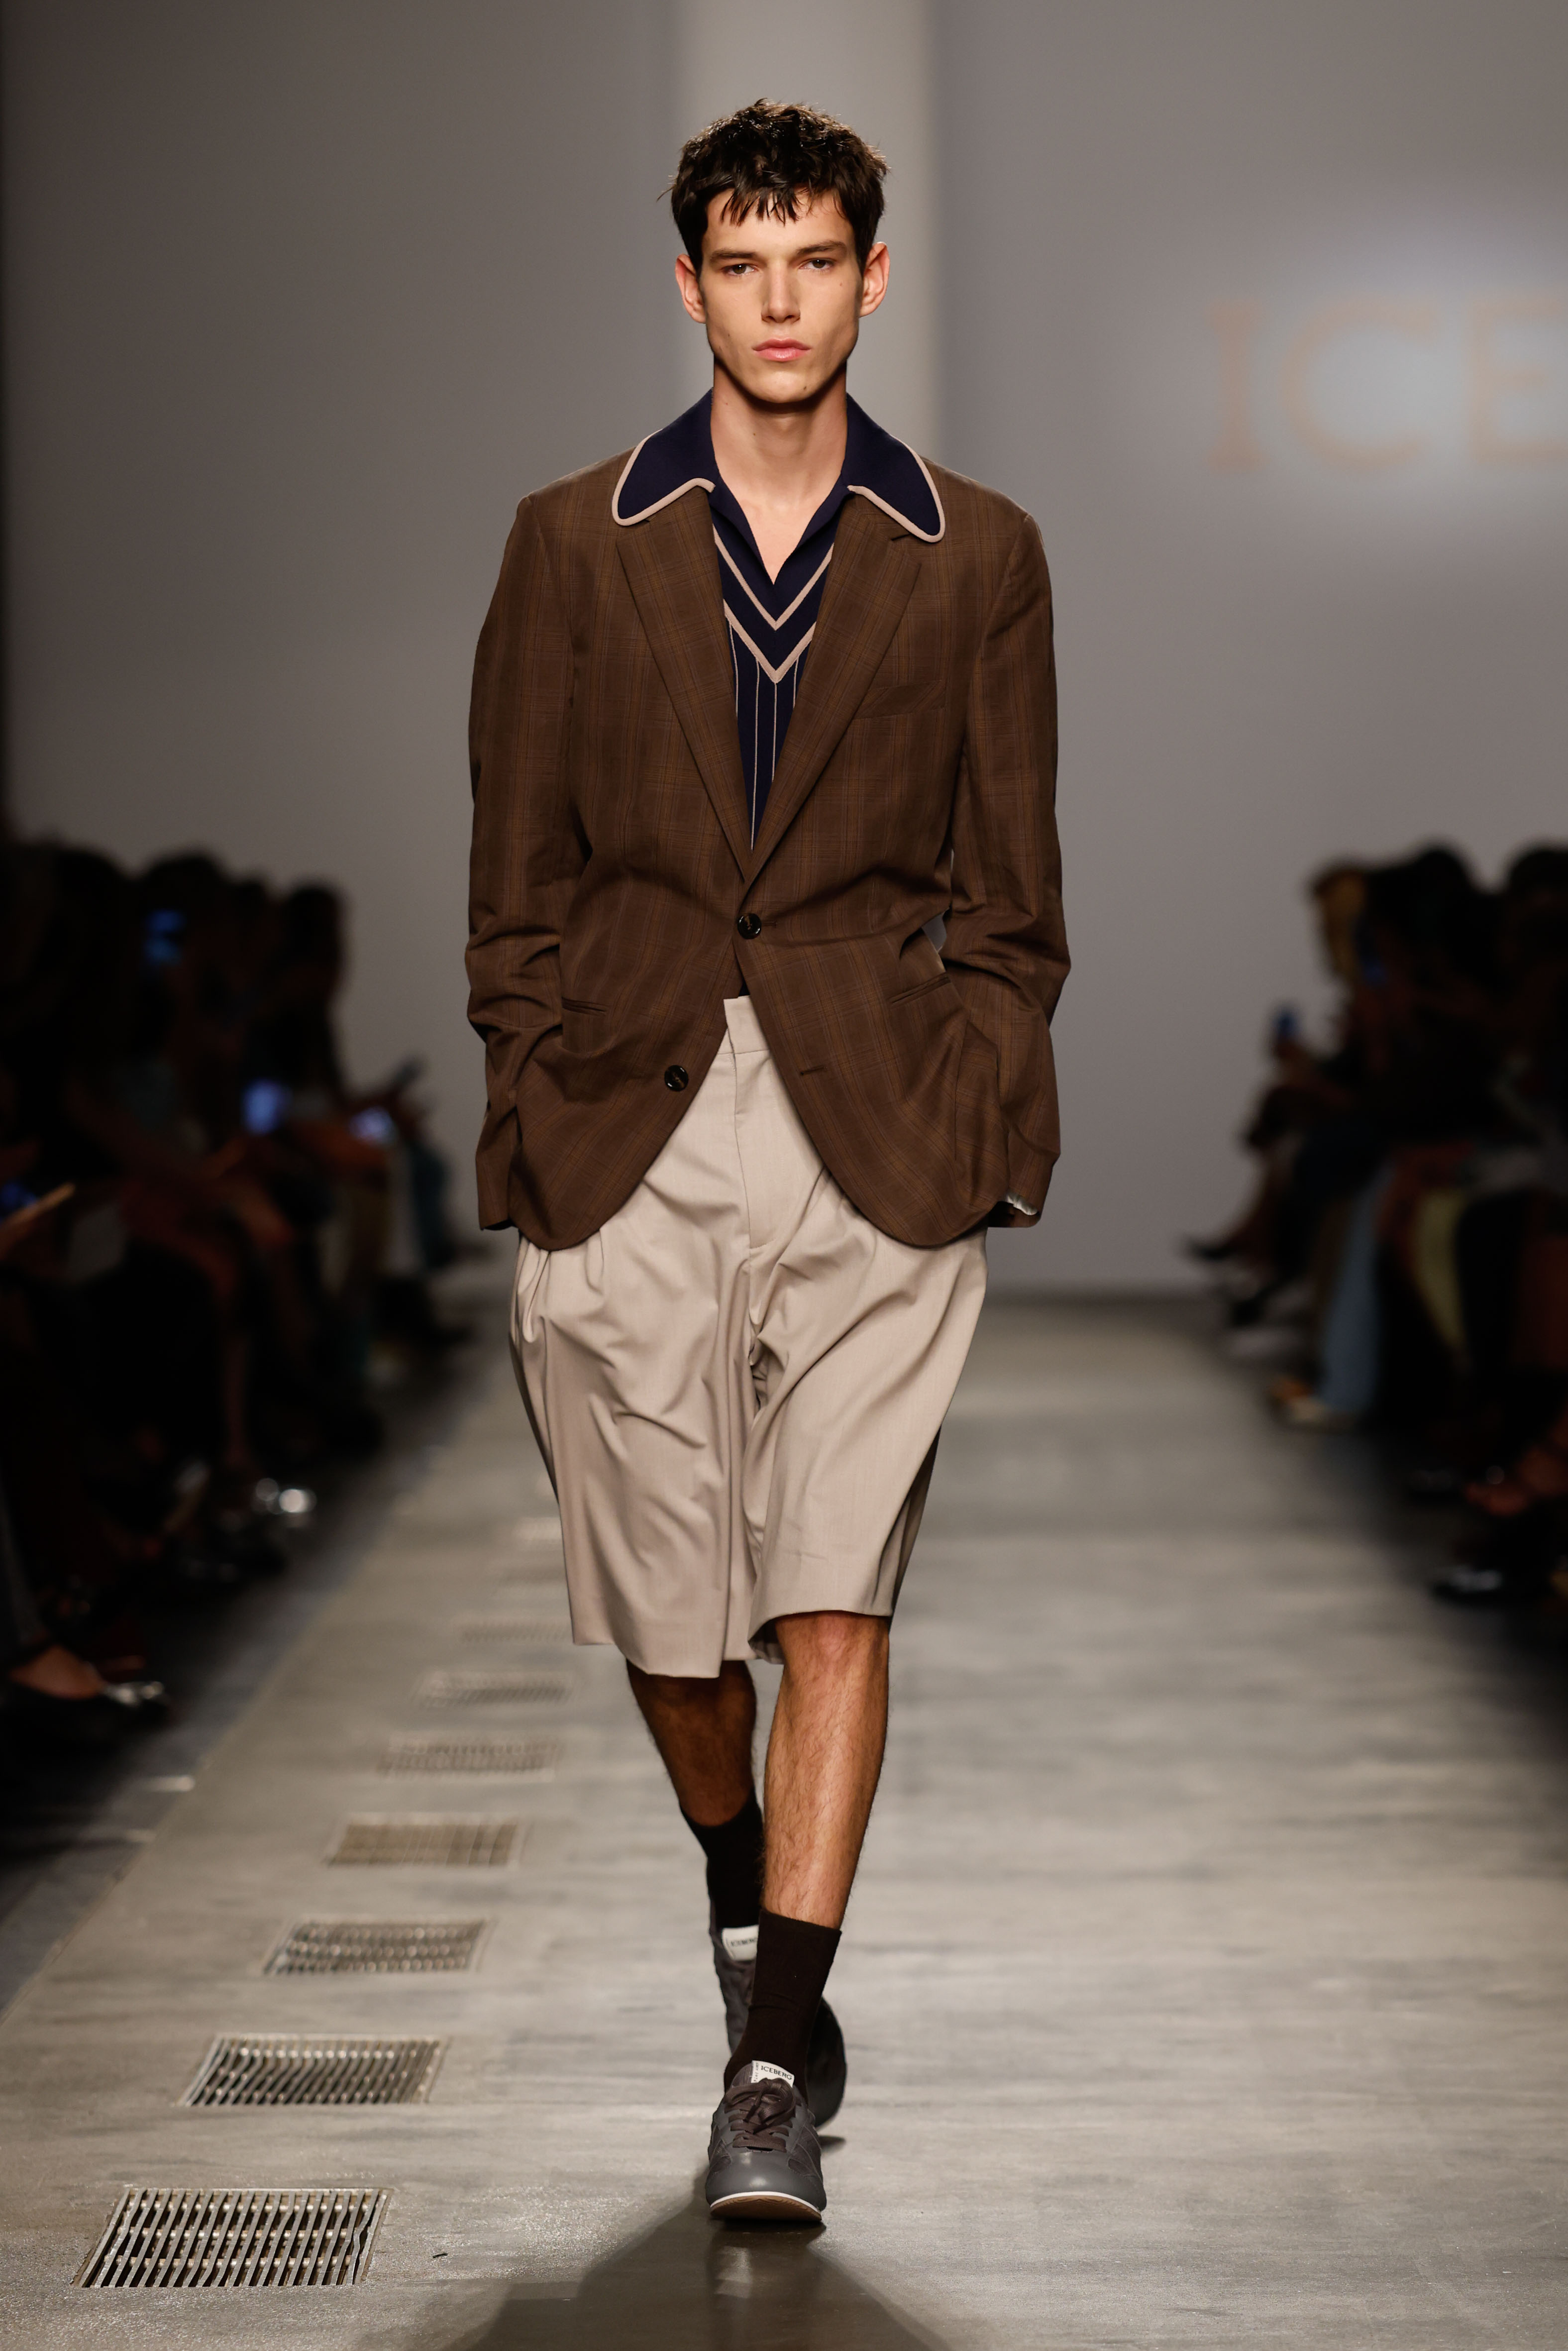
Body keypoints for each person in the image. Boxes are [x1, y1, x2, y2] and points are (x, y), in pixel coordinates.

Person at [467, 100, 1067, 2225]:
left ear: (870, 279)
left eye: (816, 261)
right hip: (624, 1113)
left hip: (873, 1121)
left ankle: (769, 2061)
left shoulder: (975, 552)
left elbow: (1015, 894)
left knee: (832, 1589)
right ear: (691, 282)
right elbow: (513, 869)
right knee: (668, 1625)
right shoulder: (572, 538)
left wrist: (976, 1106)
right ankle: (741, 1882)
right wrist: (530, 1088)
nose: (781, 300)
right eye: (744, 265)